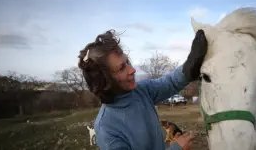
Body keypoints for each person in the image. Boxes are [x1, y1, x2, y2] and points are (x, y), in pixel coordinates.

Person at [77, 29, 208, 150]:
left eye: (127, 62)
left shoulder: (142, 91)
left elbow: (171, 82)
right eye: (121, 68)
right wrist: (177, 148)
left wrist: (191, 65)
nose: (132, 70)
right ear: (105, 82)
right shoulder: (107, 128)